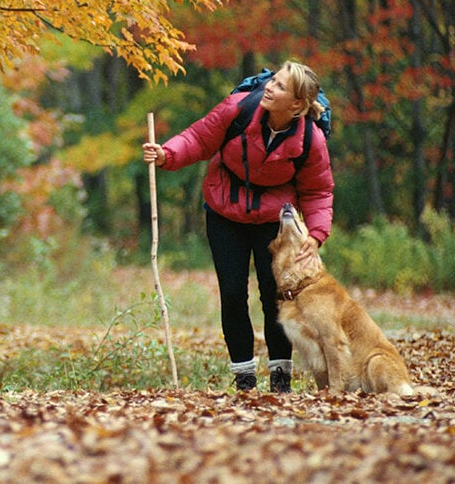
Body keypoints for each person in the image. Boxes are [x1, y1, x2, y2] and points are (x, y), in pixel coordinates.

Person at [142, 61, 334, 393]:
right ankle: (244, 380)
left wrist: (316, 235)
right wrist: (166, 154)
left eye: (280, 86)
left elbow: (317, 190)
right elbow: (199, 138)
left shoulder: (310, 139)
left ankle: (280, 381)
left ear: (297, 105)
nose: (270, 87)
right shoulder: (239, 109)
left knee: (275, 297)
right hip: (224, 211)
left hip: (274, 221)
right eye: (272, 80)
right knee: (232, 294)